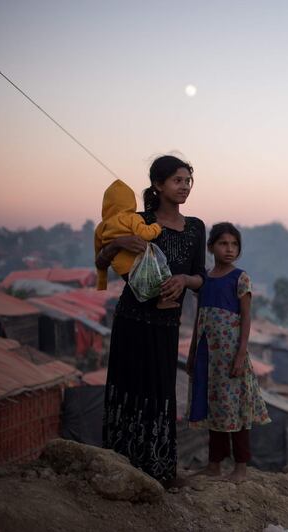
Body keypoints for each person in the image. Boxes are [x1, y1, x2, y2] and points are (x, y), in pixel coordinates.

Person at [101, 155, 205, 487]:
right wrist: (118, 242)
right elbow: (101, 261)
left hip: (166, 324)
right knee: (129, 388)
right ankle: (121, 467)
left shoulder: (195, 228)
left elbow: (201, 276)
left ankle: (158, 470)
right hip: (132, 319)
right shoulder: (135, 220)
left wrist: (184, 281)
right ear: (158, 185)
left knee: (160, 391)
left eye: (188, 180)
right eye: (177, 180)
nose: (184, 186)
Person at [186, 223, 271, 482]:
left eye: (234, 244)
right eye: (223, 243)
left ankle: (241, 468)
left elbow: (246, 320)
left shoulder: (240, 278)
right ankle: (214, 465)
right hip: (207, 355)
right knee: (214, 408)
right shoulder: (205, 279)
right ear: (211, 247)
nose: (229, 249)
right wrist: (191, 353)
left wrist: (240, 355)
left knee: (235, 409)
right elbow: (199, 319)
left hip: (231, 356)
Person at [93, 179, 161, 291]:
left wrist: (101, 283)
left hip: (120, 267)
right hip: (137, 265)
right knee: (157, 287)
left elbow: (98, 256)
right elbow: (146, 234)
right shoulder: (133, 218)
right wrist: (157, 227)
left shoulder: (102, 226)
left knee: (142, 289)